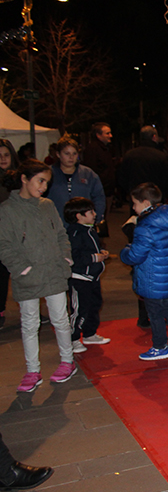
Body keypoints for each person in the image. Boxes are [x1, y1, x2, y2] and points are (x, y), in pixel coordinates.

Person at [0, 159, 78, 392]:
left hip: (53, 271)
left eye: (46, 182)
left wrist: (65, 258)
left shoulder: (47, 205)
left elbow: (61, 234)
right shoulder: (7, 210)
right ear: (24, 179)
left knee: (60, 319)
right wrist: (23, 268)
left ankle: (67, 361)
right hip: (28, 276)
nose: (43, 187)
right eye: (40, 181)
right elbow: (4, 245)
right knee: (29, 323)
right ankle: (32, 370)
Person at [119, 182, 168, 361]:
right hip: (167, 276)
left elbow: (135, 256)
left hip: (152, 279)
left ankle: (160, 346)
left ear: (144, 203)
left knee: (155, 315)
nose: (133, 208)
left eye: (134, 204)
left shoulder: (146, 227)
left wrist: (125, 250)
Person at [64, 197, 110, 353]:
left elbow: (91, 249)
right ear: (79, 215)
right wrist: (94, 258)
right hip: (79, 278)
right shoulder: (75, 233)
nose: (95, 214)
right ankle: (73, 338)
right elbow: (75, 257)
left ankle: (90, 333)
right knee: (79, 310)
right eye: (90, 212)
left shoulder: (89, 229)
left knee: (94, 305)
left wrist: (101, 253)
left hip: (93, 277)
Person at [45, 136, 107, 227]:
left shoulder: (88, 174)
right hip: (55, 225)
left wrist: (95, 217)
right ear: (58, 154)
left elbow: (99, 197)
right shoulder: (48, 174)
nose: (71, 157)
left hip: (83, 225)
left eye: (74, 154)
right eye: (67, 153)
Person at [0, 138, 21, 329]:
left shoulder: (19, 178)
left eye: (6, 155)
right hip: (2, 235)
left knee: (24, 274)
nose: (3, 159)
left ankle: (28, 309)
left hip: (19, 234)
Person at [82, 122, 115, 199]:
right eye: (107, 133)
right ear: (98, 135)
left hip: (105, 189)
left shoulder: (105, 149)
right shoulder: (93, 149)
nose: (110, 136)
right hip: (100, 190)